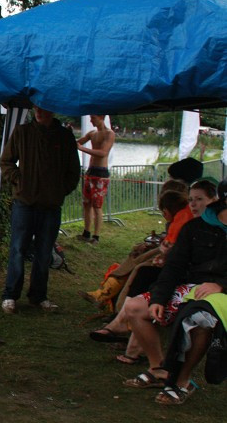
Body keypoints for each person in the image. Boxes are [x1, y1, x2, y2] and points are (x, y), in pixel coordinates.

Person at [124, 193, 227, 391]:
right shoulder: (195, 227)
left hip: (220, 296)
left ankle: (182, 382)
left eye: (198, 199)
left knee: (200, 319)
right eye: (191, 199)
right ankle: (158, 369)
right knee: (135, 307)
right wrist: (159, 298)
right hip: (191, 289)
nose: (193, 204)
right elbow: (174, 266)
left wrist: (221, 285)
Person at [1, 106, 80, 313]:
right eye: (36, 107)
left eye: (44, 108)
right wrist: (19, 180)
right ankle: (10, 295)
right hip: (24, 203)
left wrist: (60, 190)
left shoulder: (64, 136)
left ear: (53, 110)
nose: (39, 111)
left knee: (44, 252)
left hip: (51, 206)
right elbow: (6, 161)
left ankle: (38, 296)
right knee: (18, 250)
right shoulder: (22, 132)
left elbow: (73, 171)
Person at [77, 114, 115, 243]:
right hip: (90, 171)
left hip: (101, 173)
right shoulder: (92, 133)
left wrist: (82, 148)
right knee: (86, 203)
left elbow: (103, 153)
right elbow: (78, 142)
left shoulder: (109, 134)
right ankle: (86, 232)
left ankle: (96, 236)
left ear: (101, 117)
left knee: (97, 206)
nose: (91, 120)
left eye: (93, 117)